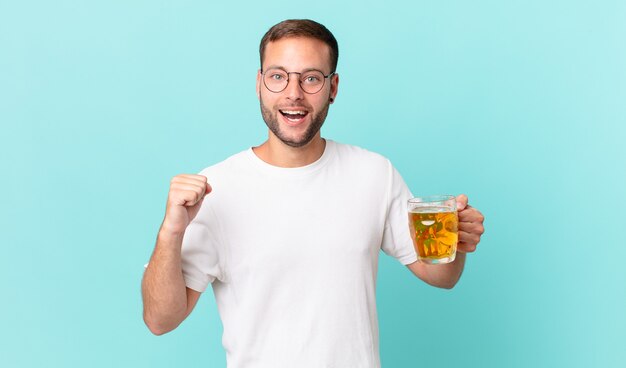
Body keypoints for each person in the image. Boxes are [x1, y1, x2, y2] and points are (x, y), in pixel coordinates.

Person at [142, 19, 485, 368]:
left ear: (333, 87)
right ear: (259, 84)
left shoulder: (374, 173)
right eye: (278, 76)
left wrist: (457, 241)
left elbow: (442, 276)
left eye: (310, 78)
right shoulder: (215, 188)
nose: (293, 93)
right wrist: (171, 232)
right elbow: (159, 320)